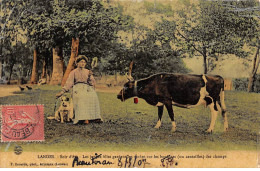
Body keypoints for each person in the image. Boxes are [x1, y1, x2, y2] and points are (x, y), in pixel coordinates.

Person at [56, 55, 102, 124]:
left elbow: (91, 83)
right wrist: (62, 91)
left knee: (93, 96)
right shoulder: (73, 72)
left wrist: (89, 76)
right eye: (81, 62)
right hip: (77, 88)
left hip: (86, 87)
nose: (82, 63)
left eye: (84, 62)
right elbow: (69, 83)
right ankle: (82, 118)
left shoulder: (87, 71)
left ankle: (94, 118)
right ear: (77, 63)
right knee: (81, 97)